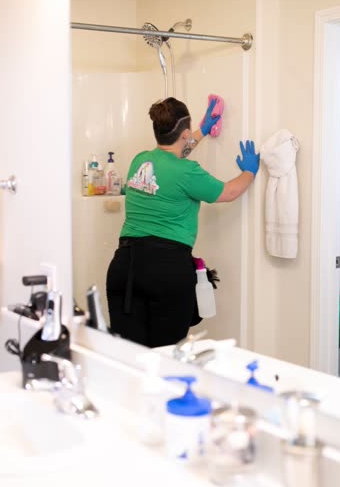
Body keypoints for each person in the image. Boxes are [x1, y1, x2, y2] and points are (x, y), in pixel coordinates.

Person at [106, 97, 259, 348]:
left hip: (124, 268)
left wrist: (201, 131)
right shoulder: (188, 172)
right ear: (184, 133)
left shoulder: (140, 161)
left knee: (129, 356)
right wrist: (249, 172)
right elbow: (228, 192)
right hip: (165, 271)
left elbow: (174, 152)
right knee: (167, 357)